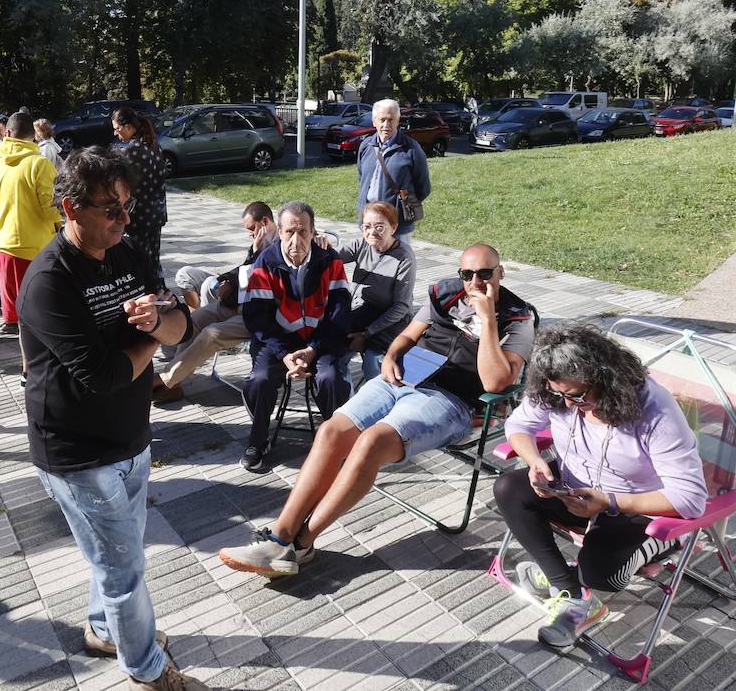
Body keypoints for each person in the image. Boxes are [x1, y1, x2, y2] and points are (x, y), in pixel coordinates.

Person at [218, 243, 535, 576]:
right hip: (404, 377)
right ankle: (278, 537)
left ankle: (301, 543)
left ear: (500, 273)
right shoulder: (447, 293)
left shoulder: (517, 317)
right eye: (467, 274)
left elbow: (496, 383)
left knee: (371, 442)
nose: (475, 282)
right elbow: (409, 335)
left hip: (451, 400)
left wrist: (487, 323)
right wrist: (390, 357)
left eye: (485, 274)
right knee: (331, 431)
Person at [18, 146, 204, 691]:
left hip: (131, 439)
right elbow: (103, 374)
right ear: (71, 209)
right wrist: (152, 332)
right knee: (124, 570)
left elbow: (182, 327)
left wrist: (161, 321)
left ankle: (104, 629)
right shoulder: (49, 281)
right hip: (75, 452)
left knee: (118, 556)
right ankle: (146, 670)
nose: (124, 219)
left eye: (126, 206)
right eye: (111, 210)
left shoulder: (130, 252)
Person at [495, 322, 708, 648]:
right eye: (557, 394)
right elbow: (519, 424)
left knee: (604, 575)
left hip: (638, 505)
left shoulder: (654, 411)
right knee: (509, 488)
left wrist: (610, 501)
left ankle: (673, 547)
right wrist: (534, 460)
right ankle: (570, 591)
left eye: (577, 395)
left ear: (606, 379)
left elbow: (691, 498)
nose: (565, 404)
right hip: (577, 491)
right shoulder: (559, 389)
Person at [236, 201, 353, 472]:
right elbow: (257, 319)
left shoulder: (330, 261)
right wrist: (285, 354)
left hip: (321, 340)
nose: (296, 240)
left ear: (313, 232)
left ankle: (335, 441)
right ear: (279, 232)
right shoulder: (265, 262)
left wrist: (313, 349)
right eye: (289, 232)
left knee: (331, 378)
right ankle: (258, 439)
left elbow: (340, 313)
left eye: (303, 232)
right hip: (280, 341)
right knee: (259, 380)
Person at [151, 201, 276, 404]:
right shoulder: (260, 242)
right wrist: (224, 281)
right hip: (235, 304)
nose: (251, 234)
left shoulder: (283, 246)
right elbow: (243, 271)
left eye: (252, 228)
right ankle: (175, 382)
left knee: (211, 334)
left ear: (265, 221)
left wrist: (254, 253)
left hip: (255, 314)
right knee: (193, 320)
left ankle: (166, 380)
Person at [0, 112, 58, 341]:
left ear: (7, 133)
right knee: (39, 316)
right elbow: (50, 208)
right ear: (34, 136)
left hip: (2, 242)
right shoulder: (39, 164)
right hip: (34, 246)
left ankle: (27, 367)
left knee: (18, 317)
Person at [333, 201, 416, 382]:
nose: (371, 232)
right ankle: (345, 400)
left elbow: (401, 306)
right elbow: (331, 258)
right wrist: (318, 245)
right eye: (367, 226)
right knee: (333, 356)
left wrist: (367, 333)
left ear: (393, 228)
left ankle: (379, 400)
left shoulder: (404, 257)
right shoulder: (361, 244)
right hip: (360, 314)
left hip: (389, 322)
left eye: (379, 227)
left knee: (374, 363)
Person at [357, 98, 430, 250]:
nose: (386, 125)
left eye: (391, 120)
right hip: (369, 222)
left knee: (400, 266)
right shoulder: (366, 146)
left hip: (396, 223)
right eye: (382, 119)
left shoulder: (411, 148)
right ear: (374, 121)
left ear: (398, 121)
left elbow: (423, 187)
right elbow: (362, 178)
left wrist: (399, 204)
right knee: (369, 265)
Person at [113, 106, 167, 288]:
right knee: (153, 259)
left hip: (139, 217)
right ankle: (161, 293)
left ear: (128, 127)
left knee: (139, 262)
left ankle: (150, 297)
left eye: (117, 128)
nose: (115, 133)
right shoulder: (153, 145)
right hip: (156, 214)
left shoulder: (132, 151)